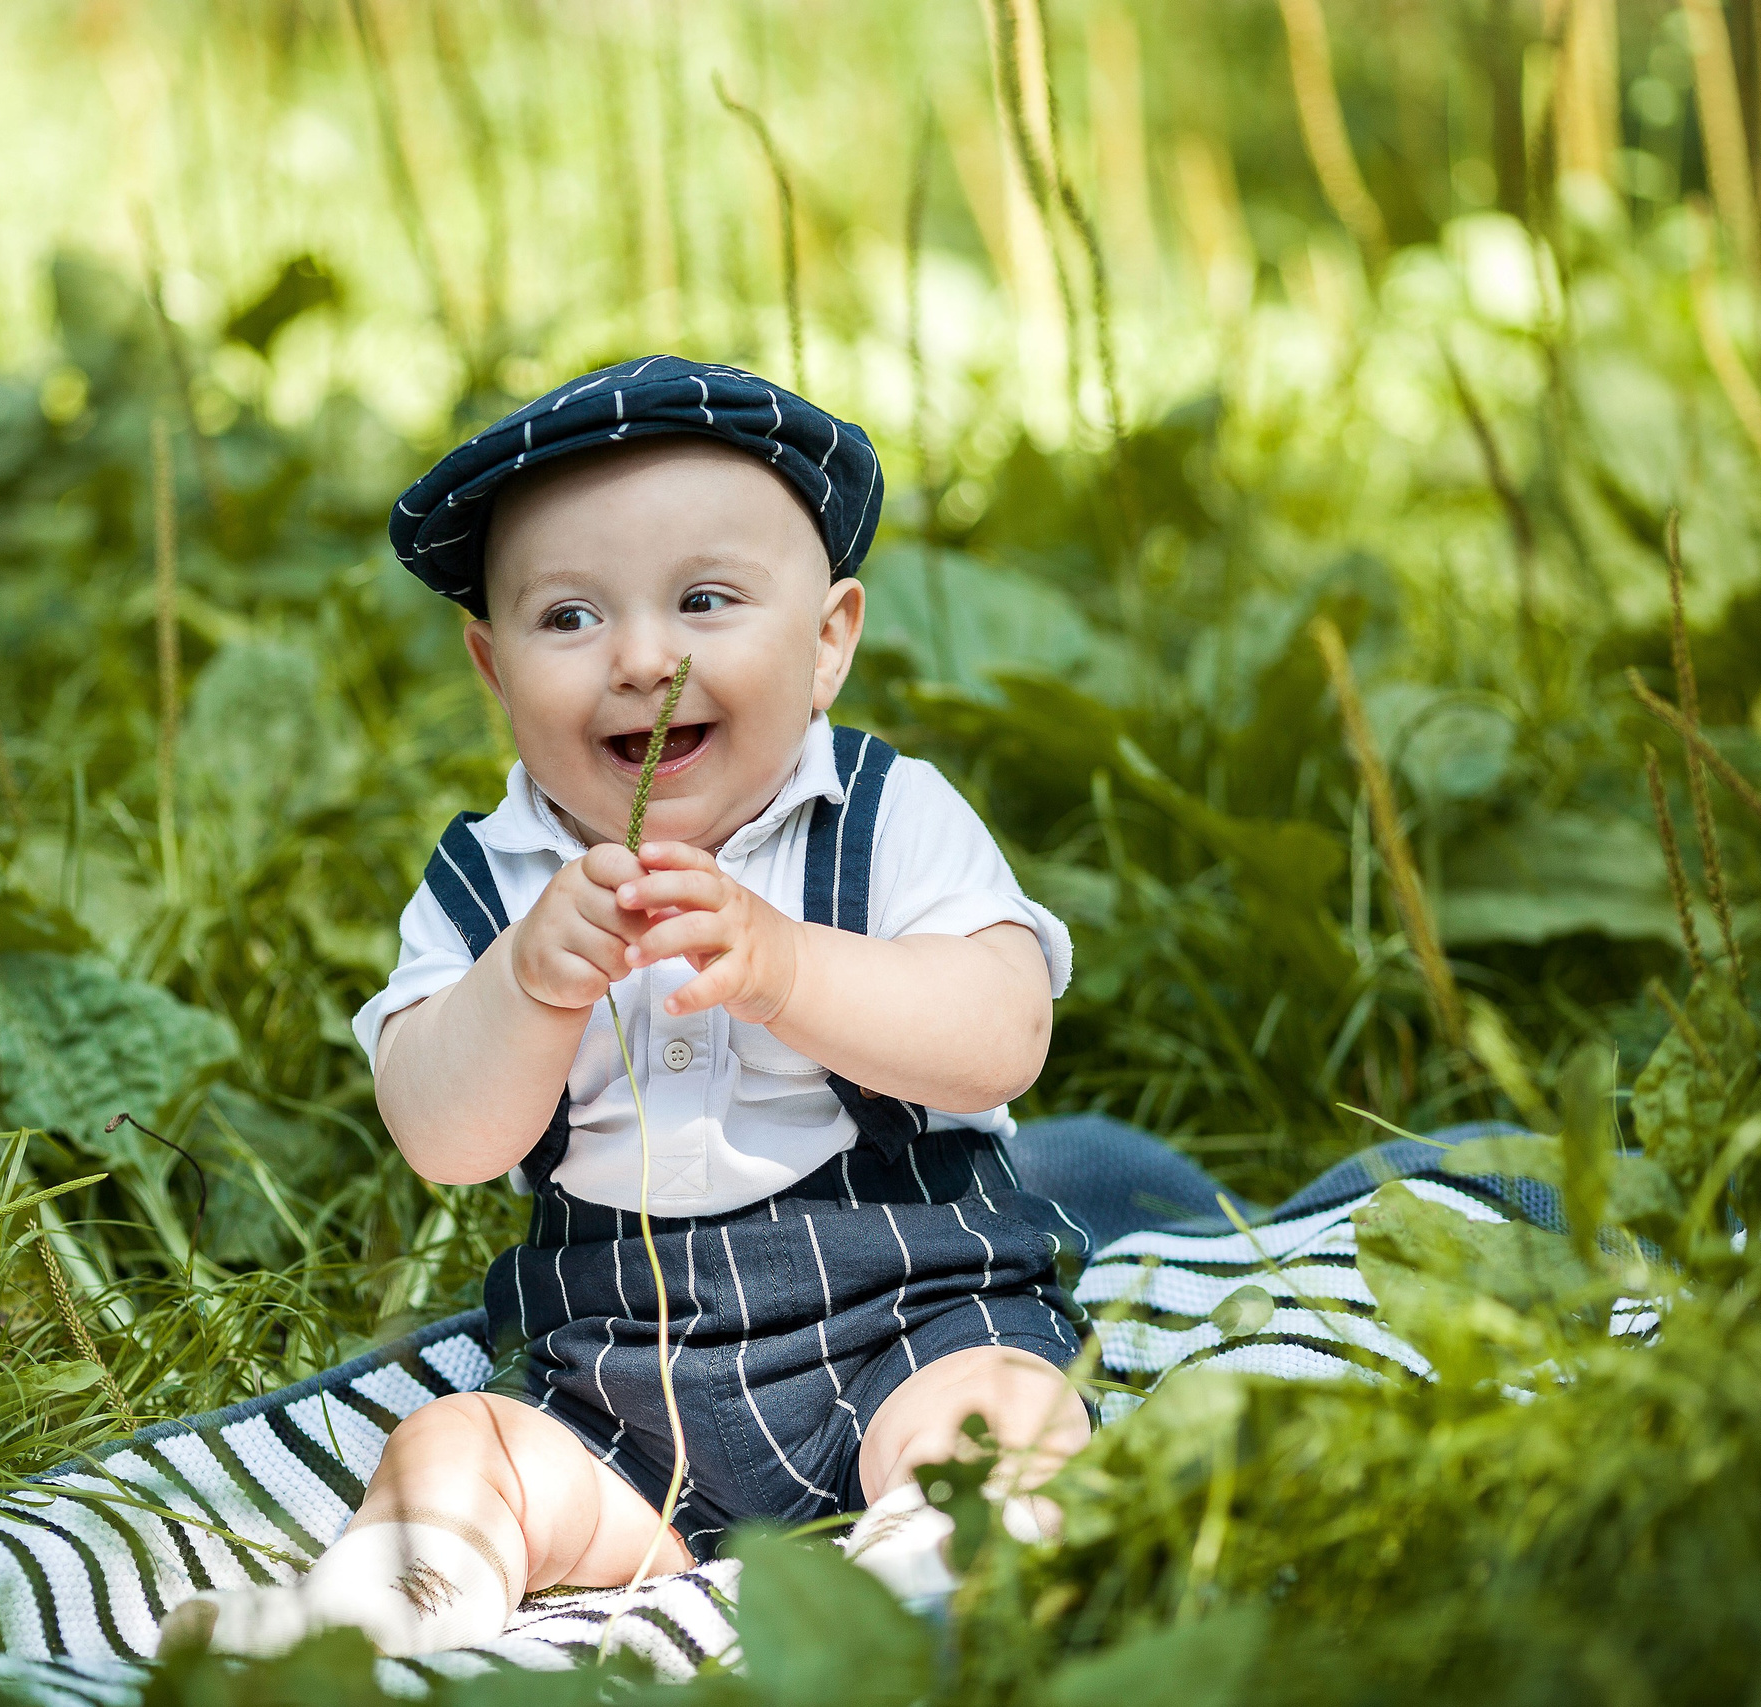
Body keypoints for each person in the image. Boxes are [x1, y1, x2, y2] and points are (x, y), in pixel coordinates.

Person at [163, 356, 1092, 1658]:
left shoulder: (885, 817)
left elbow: (1004, 1033)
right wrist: (528, 987)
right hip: (620, 1395)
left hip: (912, 1326)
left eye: (705, 600)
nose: (644, 660)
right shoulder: (491, 883)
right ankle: (379, 1613)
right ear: (493, 670)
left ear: (829, 642)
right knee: (457, 1445)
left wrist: (788, 968)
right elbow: (444, 1138)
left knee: (1001, 1408)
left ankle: (939, 1563)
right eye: (569, 618)